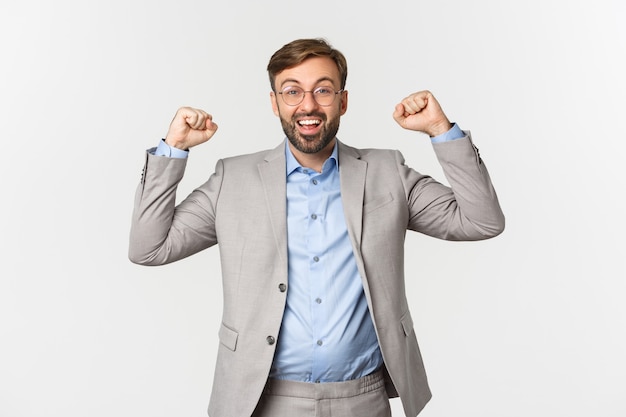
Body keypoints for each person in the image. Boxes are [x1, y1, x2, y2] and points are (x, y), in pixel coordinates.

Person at [129, 38, 504, 417]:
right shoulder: (233, 178)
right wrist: (174, 148)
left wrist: (441, 130)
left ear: (342, 101)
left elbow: (481, 221)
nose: (308, 105)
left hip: (362, 398)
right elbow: (149, 248)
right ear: (274, 103)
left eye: (322, 90)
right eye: (292, 92)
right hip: (263, 400)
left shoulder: (388, 172)